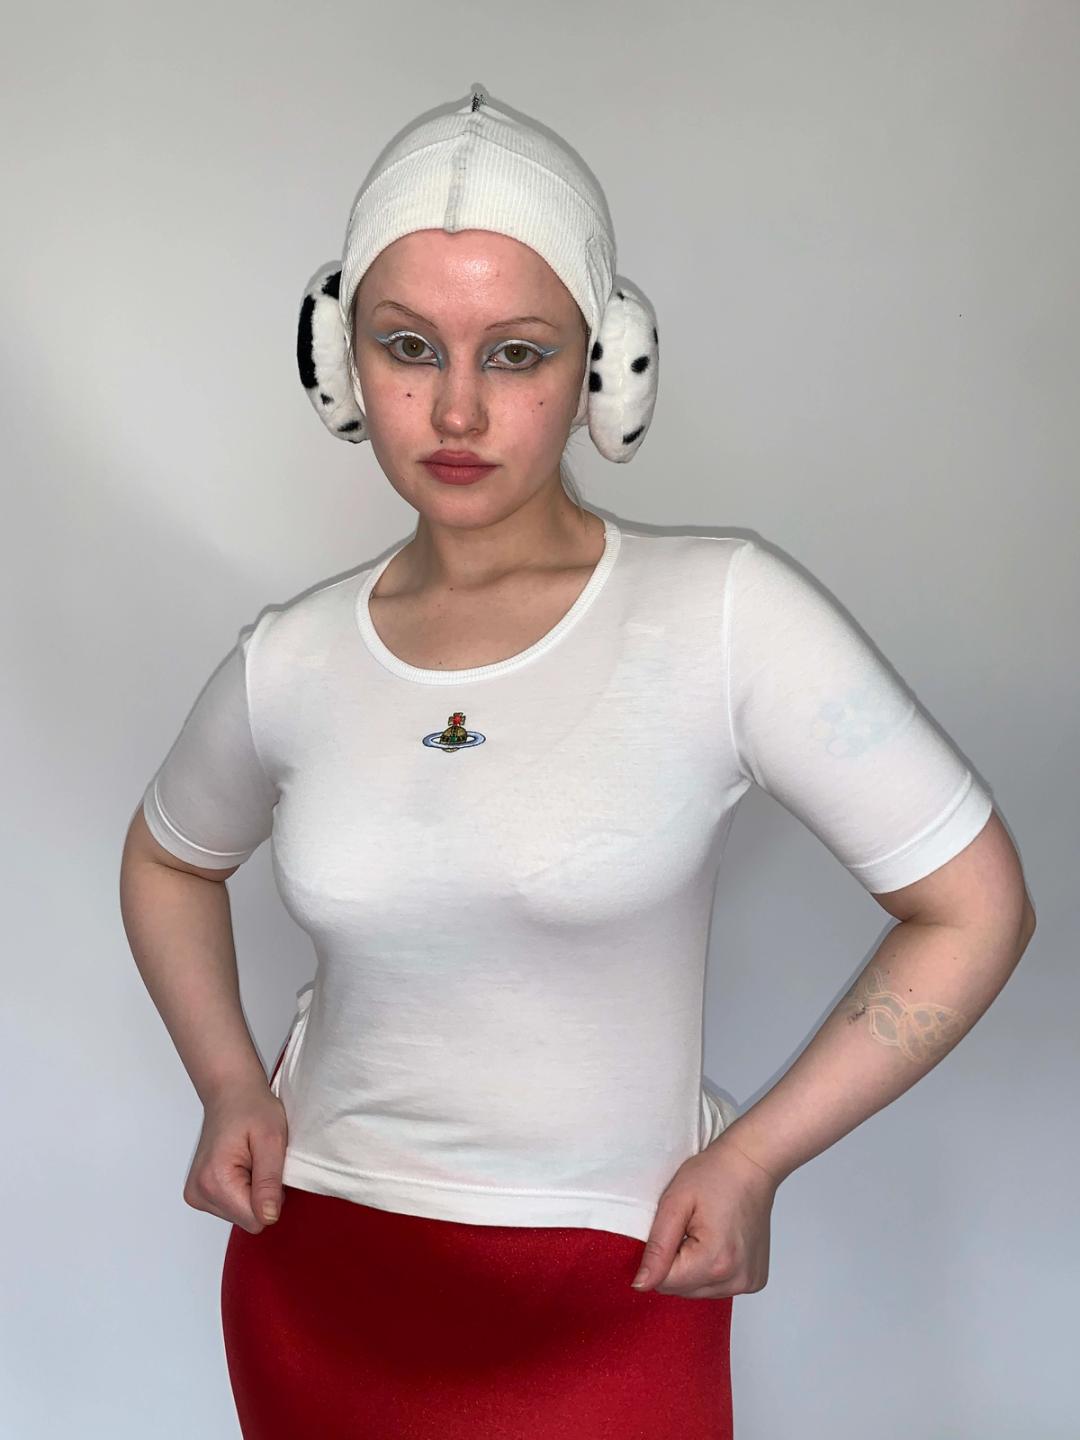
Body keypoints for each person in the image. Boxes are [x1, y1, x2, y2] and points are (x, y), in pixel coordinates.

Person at [119, 84, 1036, 1439]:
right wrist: (228, 1083)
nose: (456, 407)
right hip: (315, 1277)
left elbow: (975, 909)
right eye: (408, 345)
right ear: (337, 358)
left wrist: (755, 1159)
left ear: (609, 364)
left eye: (517, 354)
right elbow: (167, 862)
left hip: (607, 1296)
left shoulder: (725, 615)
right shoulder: (291, 659)